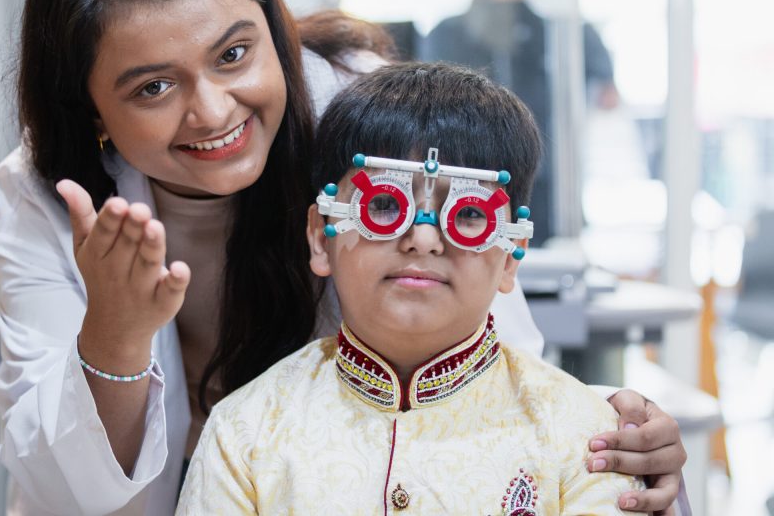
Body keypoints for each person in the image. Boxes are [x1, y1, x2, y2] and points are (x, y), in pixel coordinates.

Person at [0, 0, 686, 514]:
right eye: (154, 86)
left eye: (234, 53)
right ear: (92, 111)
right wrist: (115, 334)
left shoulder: (368, 128)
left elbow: (500, 369)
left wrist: (610, 441)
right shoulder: (45, 193)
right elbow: (59, 481)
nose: (214, 111)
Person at [177, 62, 643, 514]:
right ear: (322, 237)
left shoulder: (583, 434)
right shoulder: (246, 431)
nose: (422, 238)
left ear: (511, 254)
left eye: (468, 214)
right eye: (384, 204)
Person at [425, 0, 619, 245]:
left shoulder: (557, 29)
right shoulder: (449, 32)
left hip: (543, 177)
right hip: (467, 170)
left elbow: (608, 95)